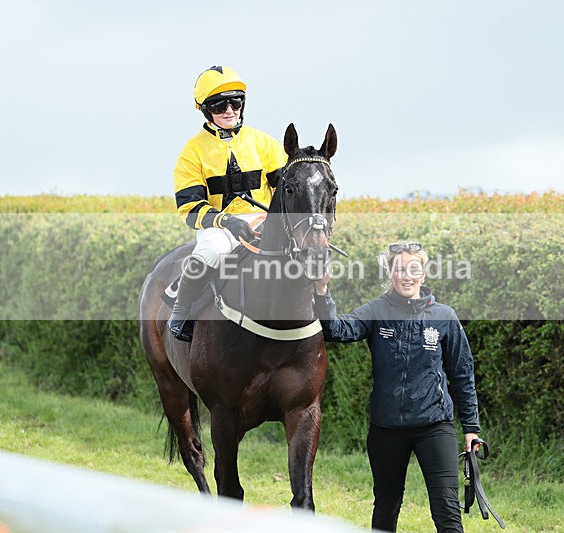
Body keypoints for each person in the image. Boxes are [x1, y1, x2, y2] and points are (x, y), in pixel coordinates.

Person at [312, 241, 481, 533]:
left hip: (434, 425)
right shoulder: (378, 310)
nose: (406, 275)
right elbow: (336, 330)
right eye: (399, 269)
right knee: (386, 508)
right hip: (386, 428)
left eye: (413, 269)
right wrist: (321, 291)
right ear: (390, 274)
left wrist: (471, 428)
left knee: (447, 513)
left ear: (423, 274)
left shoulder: (444, 317)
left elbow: (462, 373)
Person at [169, 65, 287, 341]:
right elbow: (189, 208)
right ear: (205, 110)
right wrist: (226, 221)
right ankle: (181, 309)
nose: (229, 110)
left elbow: (285, 190)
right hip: (219, 227)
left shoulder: (263, 142)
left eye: (235, 102)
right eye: (219, 105)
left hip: (264, 222)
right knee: (212, 250)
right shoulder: (192, 152)